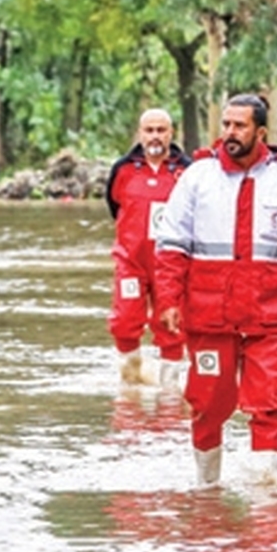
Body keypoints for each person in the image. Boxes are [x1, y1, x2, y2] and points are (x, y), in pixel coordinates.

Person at [154, 94, 277, 487]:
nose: (229, 132)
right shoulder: (197, 178)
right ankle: (207, 488)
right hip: (209, 315)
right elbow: (171, 247)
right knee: (208, 402)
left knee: (269, 403)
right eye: (226, 124)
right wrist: (167, 301)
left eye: (239, 126)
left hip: (269, 318)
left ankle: (266, 500)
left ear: (261, 131)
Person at [105, 108, 191, 388]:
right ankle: (130, 382)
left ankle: (170, 391)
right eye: (149, 130)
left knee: (173, 323)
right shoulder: (124, 170)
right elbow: (115, 205)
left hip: (171, 264)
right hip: (132, 260)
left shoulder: (186, 171)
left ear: (171, 133)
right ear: (140, 133)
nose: (155, 136)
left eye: (161, 130)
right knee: (125, 319)